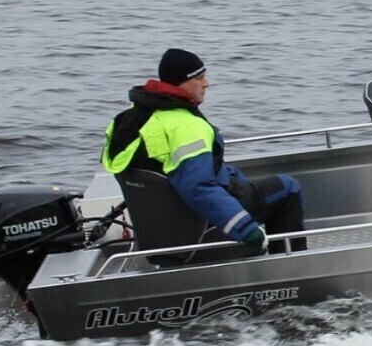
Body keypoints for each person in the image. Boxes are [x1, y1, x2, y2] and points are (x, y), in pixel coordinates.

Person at [101, 48, 306, 252]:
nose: (206, 83)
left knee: (241, 178)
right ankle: (293, 271)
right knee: (288, 188)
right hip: (197, 227)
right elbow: (197, 187)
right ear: (181, 82)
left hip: (165, 228)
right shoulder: (185, 126)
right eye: (199, 78)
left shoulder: (129, 119)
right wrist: (245, 229)